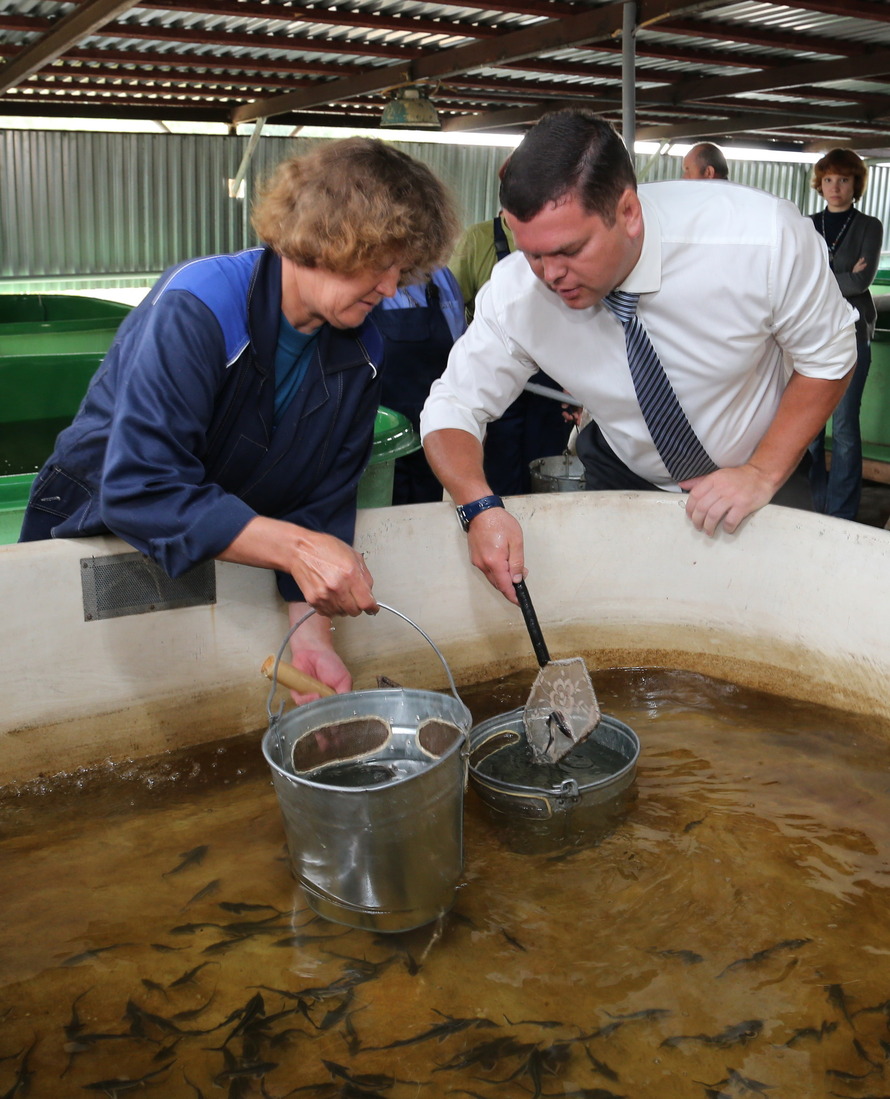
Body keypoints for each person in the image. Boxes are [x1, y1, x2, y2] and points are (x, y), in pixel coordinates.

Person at [20, 137, 460, 698]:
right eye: (378, 262)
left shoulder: (363, 350)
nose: (391, 287)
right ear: (322, 237)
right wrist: (297, 550)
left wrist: (311, 639)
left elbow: (320, 502)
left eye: (402, 268)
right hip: (88, 529)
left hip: (205, 540)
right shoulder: (200, 306)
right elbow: (140, 488)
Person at [420, 109, 856, 606]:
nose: (550, 274)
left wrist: (761, 473)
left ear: (628, 212)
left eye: (568, 250)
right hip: (624, 464)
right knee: (621, 615)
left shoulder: (760, 241)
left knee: (758, 611)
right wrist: (477, 505)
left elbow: (829, 356)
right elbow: (453, 404)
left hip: (760, 464)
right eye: (533, 254)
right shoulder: (518, 293)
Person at [450, 209, 574, 495]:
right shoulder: (476, 240)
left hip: (552, 375)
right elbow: (453, 307)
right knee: (500, 465)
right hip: (499, 371)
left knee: (544, 466)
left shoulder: (563, 237)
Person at [806, 148, 883, 520]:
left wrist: (824, 281)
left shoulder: (870, 226)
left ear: (856, 184)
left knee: (845, 425)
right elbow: (801, 280)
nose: (836, 187)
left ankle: (840, 514)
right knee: (808, 427)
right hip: (810, 335)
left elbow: (862, 281)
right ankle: (813, 503)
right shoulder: (806, 224)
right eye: (830, 179)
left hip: (853, 333)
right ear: (820, 184)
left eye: (845, 179)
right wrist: (841, 277)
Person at [372, 267, 465, 504]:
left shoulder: (441, 277)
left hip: (435, 427)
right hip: (381, 434)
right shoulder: (362, 275)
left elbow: (460, 350)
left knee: (431, 512)